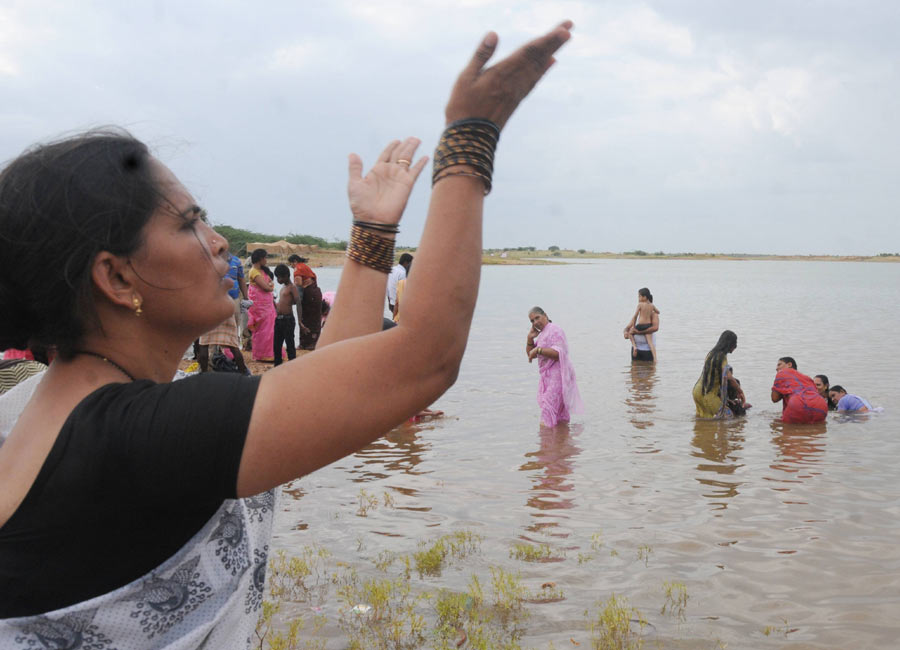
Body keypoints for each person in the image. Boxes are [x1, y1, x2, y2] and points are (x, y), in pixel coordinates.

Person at [0, 20, 573, 638]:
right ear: (115, 278)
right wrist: (471, 137)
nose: (219, 243)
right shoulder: (134, 440)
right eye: (190, 224)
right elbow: (424, 357)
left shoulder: (48, 408)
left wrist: (372, 235)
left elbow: (327, 387)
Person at [526, 307, 583, 427]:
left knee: (548, 411)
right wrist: (530, 339)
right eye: (532, 321)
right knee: (558, 415)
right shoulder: (542, 334)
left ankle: (545, 443)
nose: (535, 322)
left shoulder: (555, 330)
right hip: (548, 377)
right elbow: (531, 355)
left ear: (545, 315)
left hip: (559, 375)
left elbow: (559, 354)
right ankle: (561, 441)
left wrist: (539, 350)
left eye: (537, 318)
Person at [692, 330, 750, 418]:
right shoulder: (722, 357)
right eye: (735, 343)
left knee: (701, 418)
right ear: (730, 344)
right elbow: (728, 377)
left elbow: (714, 376)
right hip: (708, 395)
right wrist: (740, 391)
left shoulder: (711, 354)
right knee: (728, 417)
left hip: (697, 391)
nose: (736, 346)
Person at [771, 357, 828, 423]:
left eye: (779, 364)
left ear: (789, 365)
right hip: (821, 405)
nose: (776, 368)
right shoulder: (807, 377)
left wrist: (780, 389)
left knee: (782, 427)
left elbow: (774, 399)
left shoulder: (782, 373)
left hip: (798, 404)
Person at [246, 248, 277, 362]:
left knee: (270, 328)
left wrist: (270, 286)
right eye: (265, 257)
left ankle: (270, 352)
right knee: (263, 329)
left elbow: (269, 285)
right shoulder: (254, 271)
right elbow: (266, 287)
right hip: (260, 306)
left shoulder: (262, 271)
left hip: (267, 305)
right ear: (260, 259)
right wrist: (270, 286)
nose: (266, 260)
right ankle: (262, 354)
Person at [273, 264, 303, 366]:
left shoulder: (292, 287)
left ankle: (292, 366)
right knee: (277, 345)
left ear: (286, 276)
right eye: (277, 277)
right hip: (279, 319)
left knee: (290, 344)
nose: (278, 279)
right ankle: (277, 366)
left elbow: (298, 302)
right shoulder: (283, 288)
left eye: (279, 277)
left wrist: (299, 320)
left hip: (288, 320)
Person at [622, 287, 659, 362]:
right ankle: (635, 347)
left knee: (649, 371)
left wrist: (638, 332)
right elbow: (627, 327)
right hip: (636, 351)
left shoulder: (653, 314)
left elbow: (655, 328)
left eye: (639, 296)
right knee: (634, 371)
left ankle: (655, 359)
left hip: (647, 351)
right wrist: (625, 332)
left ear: (644, 297)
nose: (638, 298)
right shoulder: (642, 311)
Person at [297, 264, 322, 350]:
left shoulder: (298, 268)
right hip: (315, 293)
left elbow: (298, 283)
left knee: (307, 318)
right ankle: (310, 343)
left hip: (310, 295)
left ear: (295, 261)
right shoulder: (306, 268)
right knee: (313, 319)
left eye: (291, 264)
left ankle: (306, 343)